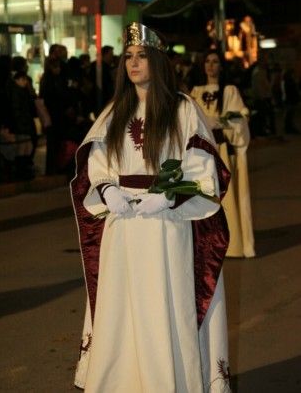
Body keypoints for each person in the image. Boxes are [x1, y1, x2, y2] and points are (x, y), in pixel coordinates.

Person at [70, 22, 232, 392]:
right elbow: (97, 161)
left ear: (157, 61)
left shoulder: (183, 108)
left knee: (164, 306)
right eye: (128, 57)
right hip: (124, 224)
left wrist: (169, 195)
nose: (132, 63)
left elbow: (203, 167)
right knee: (121, 309)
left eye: (141, 56)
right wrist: (109, 189)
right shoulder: (114, 111)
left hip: (165, 224)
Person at [191, 49, 255, 258]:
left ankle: (233, 243)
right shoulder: (196, 92)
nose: (210, 65)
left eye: (215, 61)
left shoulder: (229, 91)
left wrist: (217, 122)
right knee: (204, 197)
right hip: (202, 154)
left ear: (221, 65)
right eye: (207, 61)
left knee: (226, 198)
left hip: (223, 151)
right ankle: (207, 243)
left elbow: (240, 118)